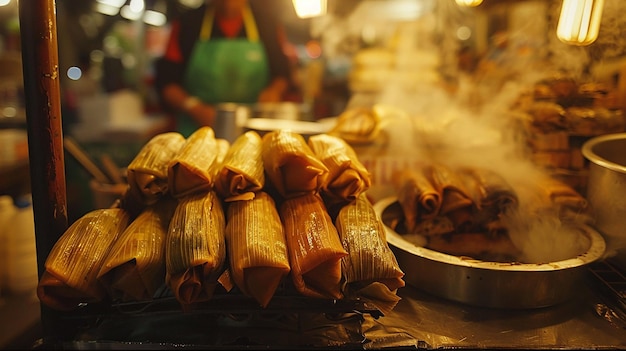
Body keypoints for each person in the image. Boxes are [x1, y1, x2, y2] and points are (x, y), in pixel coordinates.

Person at [155, 0, 294, 137]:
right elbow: (167, 83)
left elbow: (282, 73)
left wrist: (274, 91)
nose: (229, 3)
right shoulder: (187, 23)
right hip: (196, 132)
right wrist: (194, 107)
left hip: (254, 132)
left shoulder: (267, 23)